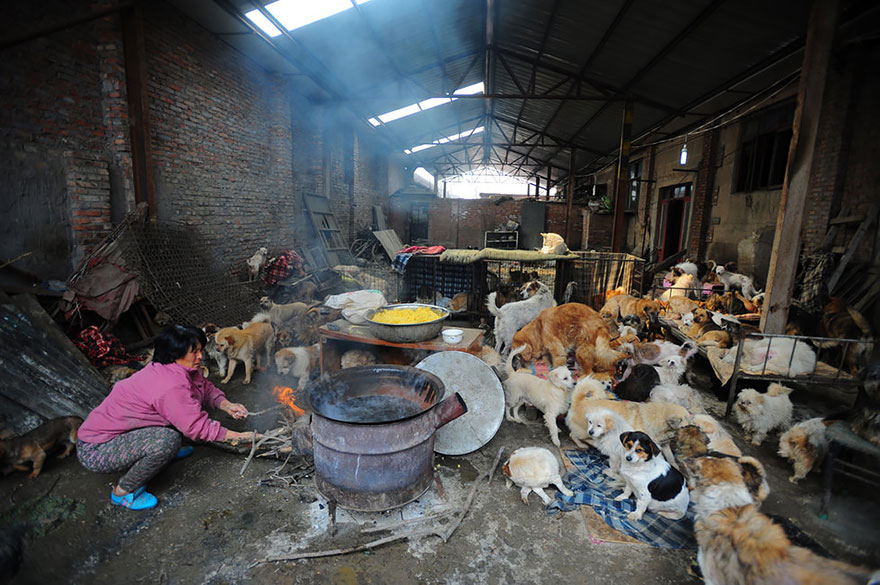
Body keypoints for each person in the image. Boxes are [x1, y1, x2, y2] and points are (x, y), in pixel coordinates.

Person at [77, 324, 261, 510]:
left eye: (200, 350)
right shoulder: (169, 385)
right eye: (194, 352)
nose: (200, 356)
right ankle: (122, 492)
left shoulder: (177, 367)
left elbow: (204, 388)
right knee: (168, 440)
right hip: (96, 449)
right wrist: (240, 437)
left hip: (123, 432)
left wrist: (227, 405)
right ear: (174, 354)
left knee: (179, 420)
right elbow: (196, 427)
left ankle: (158, 451)